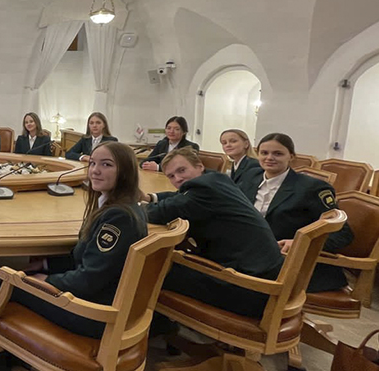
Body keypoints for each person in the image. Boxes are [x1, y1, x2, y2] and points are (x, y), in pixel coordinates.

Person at [0, 142, 148, 371]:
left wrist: (47, 281)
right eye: (93, 163)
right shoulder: (125, 208)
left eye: (106, 165)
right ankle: (10, 358)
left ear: (125, 171)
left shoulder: (118, 218)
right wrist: (45, 264)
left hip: (94, 314)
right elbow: (87, 260)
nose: (95, 170)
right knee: (23, 277)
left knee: (8, 287)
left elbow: (88, 280)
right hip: (107, 301)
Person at [143, 148, 285, 318]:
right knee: (167, 261)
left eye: (182, 170)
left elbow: (158, 213)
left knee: (152, 269)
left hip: (251, 289)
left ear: (199, 166)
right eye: (171, 176)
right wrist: (150, 197)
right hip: (267, 276)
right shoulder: (216, 179)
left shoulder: (202, 191)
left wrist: (129, 207)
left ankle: (160, 328)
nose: (178, 178)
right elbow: (179, 196)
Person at [244, 133, 354, 292]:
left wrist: (299, 242)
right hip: (251, 251)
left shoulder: (313, 188)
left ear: (291, 156)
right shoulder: (250, 178)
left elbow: (343, 233)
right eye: (264, 153)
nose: (269, 158)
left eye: (278, 153)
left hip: (290, 262)